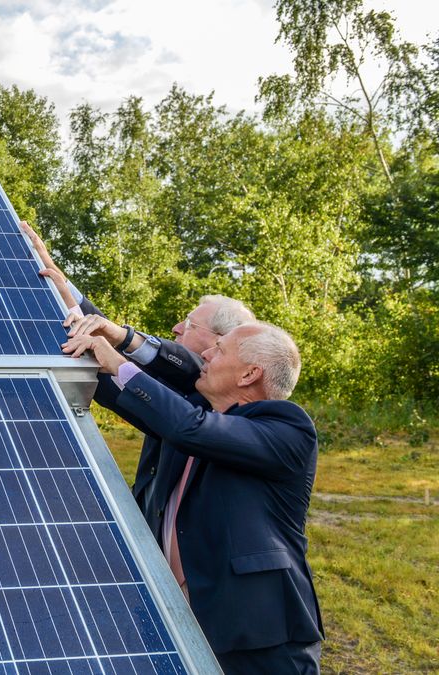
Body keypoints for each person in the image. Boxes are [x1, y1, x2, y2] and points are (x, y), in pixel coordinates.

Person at [63, 323, 324, 673]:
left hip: (256, 632)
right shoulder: (197, 415)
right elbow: (127, 395)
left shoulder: (287, 429)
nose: (205, 354)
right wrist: (69, 319)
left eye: (220, 350)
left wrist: (122, 364)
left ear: (250, 373)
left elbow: (190, 427)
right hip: (177, 611)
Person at [19, 221, 254, 528]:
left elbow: (179, 364)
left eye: (189, 324)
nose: (176, 329)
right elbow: (111, 364)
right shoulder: (175, 391)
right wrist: (61, 288)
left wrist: (116, 340)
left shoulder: (226, 409)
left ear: (221, 341)